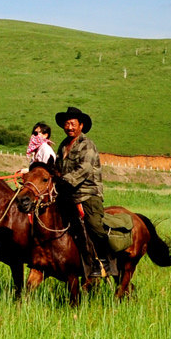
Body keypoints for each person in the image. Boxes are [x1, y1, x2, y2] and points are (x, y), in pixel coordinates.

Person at [55, 105, 121, 276]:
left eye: (72, 124)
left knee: (94, 227)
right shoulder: (63, 146)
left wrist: (65, 181)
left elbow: (84, 169)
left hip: (87, 193)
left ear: (81, 125)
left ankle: (108, 262)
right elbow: (57, 167)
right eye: (67, 124)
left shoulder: (87, 145)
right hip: (67, 194)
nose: (69, 127)